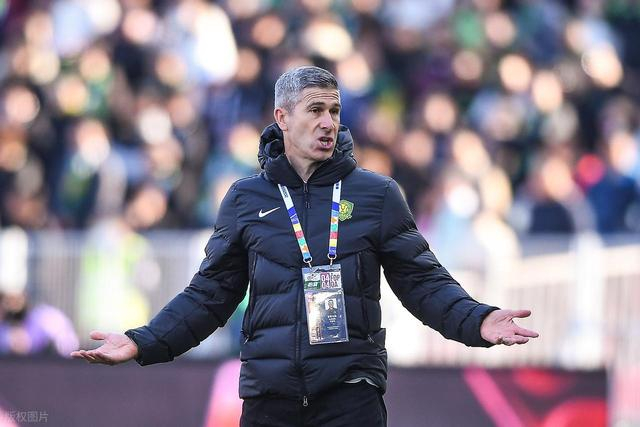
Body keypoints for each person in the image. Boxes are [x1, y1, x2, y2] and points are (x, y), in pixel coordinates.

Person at [72, 66, 539, 426]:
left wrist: (477, 319)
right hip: (270, 396)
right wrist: (143, 341)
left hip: (350, 393)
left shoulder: (376, 194)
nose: (328, 122)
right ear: (282, 117)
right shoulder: (246, 198)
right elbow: (210, 294)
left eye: (334, 111)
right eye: (315, 110)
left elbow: (422, 280)